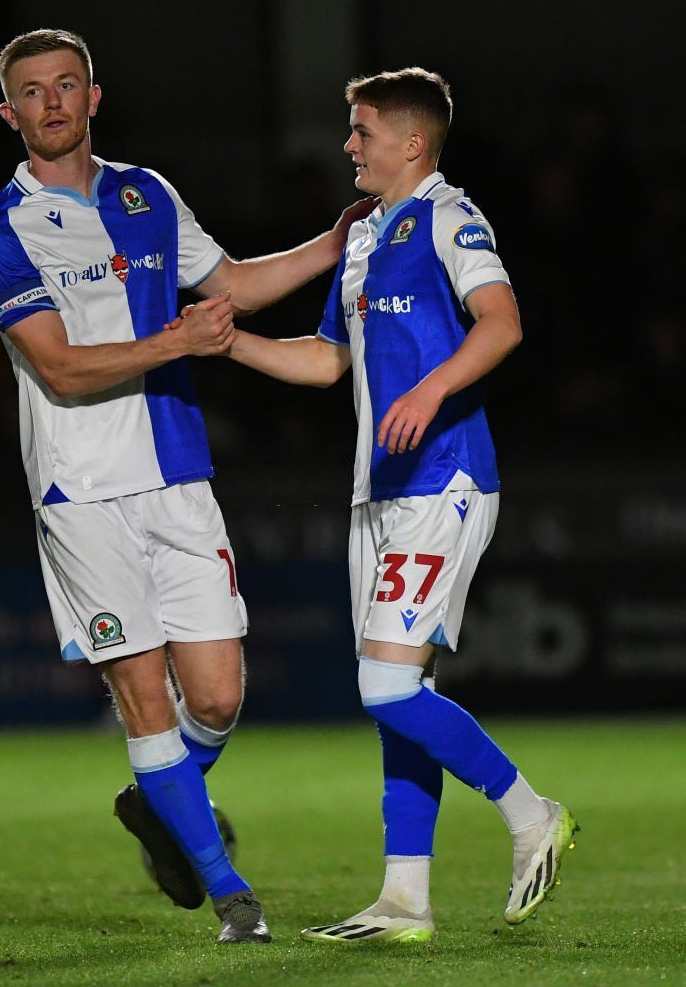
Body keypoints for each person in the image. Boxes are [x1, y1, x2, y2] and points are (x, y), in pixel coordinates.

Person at [0, 28, 372, 945]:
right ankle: (233, 898)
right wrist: (176, 342)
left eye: (66, 84)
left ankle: (156, 803)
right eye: (32, 91)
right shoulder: (0, 231)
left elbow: (232, 285)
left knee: (217, 699)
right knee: (145, 700)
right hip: (80, 491)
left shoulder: (147, 193)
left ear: (94, 97)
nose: (52, 102)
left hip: (177, 471)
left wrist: (333, 241)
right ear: (9, 113)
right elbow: (59, 369)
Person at [225, 67, 579, 943]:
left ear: (412, 142)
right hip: (376, 492)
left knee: (383, 686)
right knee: (400, 692)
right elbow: (326, 360)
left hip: (442, 480)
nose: (348, 144)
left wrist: (429, 389)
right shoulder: (364, 237)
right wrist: (227, 343)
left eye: (362, 130)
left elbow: (501, 322)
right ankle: (403, 900)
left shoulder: (449, 216)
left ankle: (531, 814)